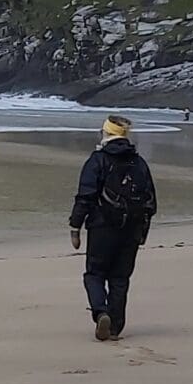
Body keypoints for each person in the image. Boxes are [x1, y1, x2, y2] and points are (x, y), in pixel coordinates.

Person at [68, 114, 156, 341]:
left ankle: (101, 312)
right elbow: (150, 202)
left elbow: (85, 196)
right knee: (120, 278)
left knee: (94, 274)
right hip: (133, 229)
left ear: (106, 134)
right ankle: (115, 327)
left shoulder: (97, 160)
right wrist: (144, 231)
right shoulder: (139, 163)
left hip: (102, 227)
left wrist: (75, 226)